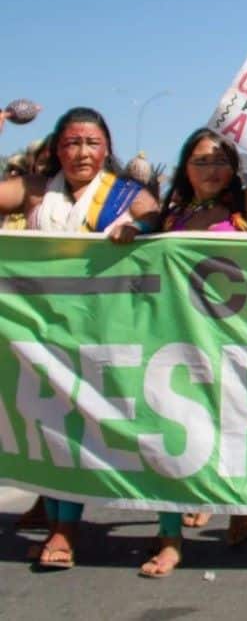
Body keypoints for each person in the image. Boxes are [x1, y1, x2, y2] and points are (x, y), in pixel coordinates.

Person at [139, 96, 247, 578]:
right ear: (185, 167)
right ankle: (169, 539)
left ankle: (238, 505)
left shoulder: (246, 208)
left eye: (220, 160)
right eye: (201, 160)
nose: (211, 169)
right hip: (173, 339)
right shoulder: (168, 219)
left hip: (230, 338)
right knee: (169, 439)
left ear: (234, 169)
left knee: (231, 433)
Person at [0, 107, 159, 569]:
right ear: (56, 149)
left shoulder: (127, 194)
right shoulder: (34, 192)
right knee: (47, 428)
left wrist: (138, 228)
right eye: (71, 143)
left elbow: (153, 219)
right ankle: (56, 523)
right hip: (37, 330)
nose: (82, 153)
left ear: (106, 148)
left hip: (98, 331)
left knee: (75, 430)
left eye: (91, 143)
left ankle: (64, 532)